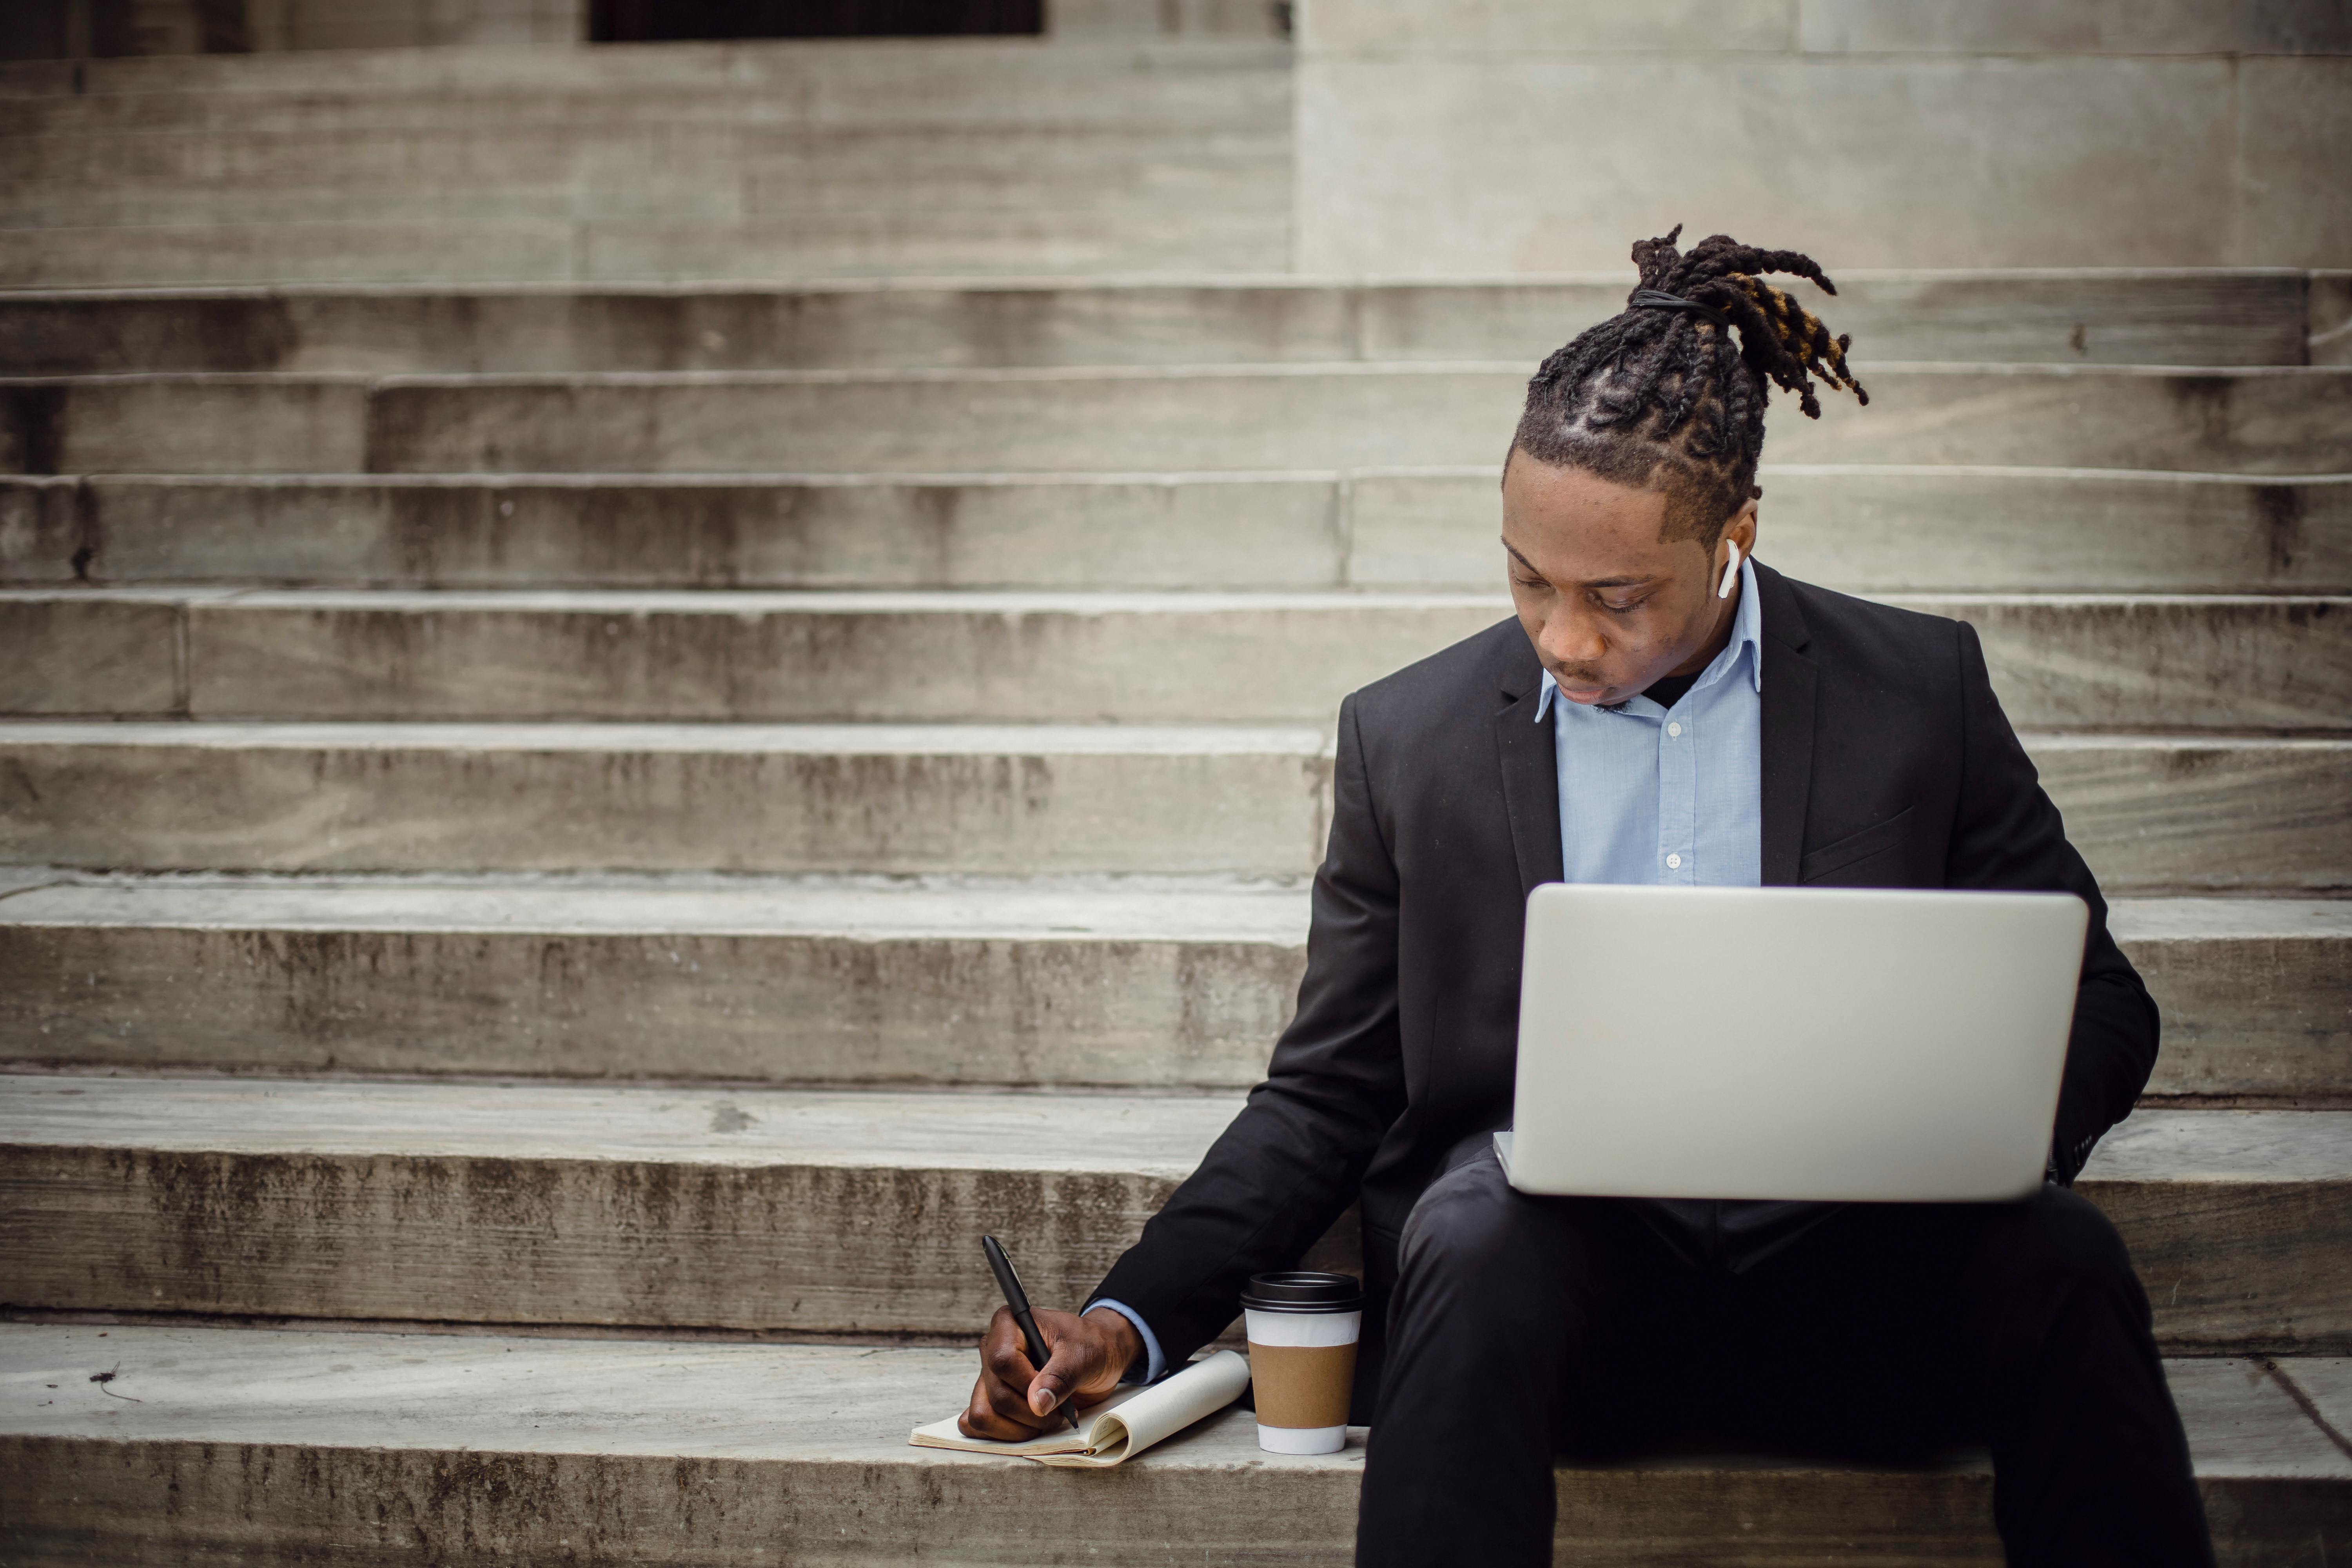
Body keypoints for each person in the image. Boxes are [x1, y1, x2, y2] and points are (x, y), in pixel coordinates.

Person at [958, 227, 2214, 1567]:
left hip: (1868, 1300)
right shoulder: (1413, 739)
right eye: (1528, 578)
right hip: (1553, 1326)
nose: (1564, 638)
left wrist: (1968, 1141)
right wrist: (1130, 1316)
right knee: (1470, 1215)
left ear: (1734, 537)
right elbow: (1327, 1093)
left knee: (2063, 1256)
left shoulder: (1918, 692)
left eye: (1618, 597)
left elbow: (2104, 1005)